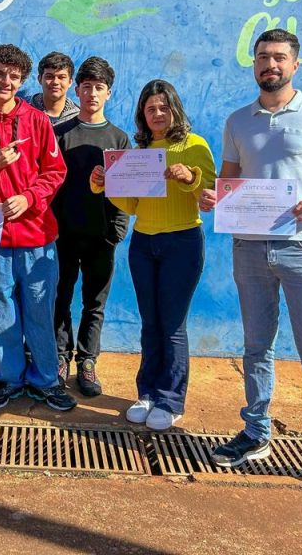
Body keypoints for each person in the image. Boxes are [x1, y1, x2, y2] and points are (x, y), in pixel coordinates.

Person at [200, 28, 302, 507]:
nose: (269, 64)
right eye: (261, 57)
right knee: (256, 347)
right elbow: (227, 184)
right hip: (249, 249)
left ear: (295, 64)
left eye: (278, 57)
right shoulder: (238, 120)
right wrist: (212, 196)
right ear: (253, 65)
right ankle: (255, 431)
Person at [90, 79, 215, 430]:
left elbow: (209, 194)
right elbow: (130, 205)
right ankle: (146, 393)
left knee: (172, 325)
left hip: (183, 242)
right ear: (142, 116)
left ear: (174, 109)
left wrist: (190, 177)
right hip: (143, 244)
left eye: (163, 107)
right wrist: (104, 184)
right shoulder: (137, 152)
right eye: (150, 109)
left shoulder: (194, 145)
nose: (158, 114)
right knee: (150, 323)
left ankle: (171, 400)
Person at [0, 43, 75, 412]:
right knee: (1, 311)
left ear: (22, 80)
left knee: (40, 310)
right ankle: (10, 377)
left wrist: (29, 198)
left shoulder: (37, 121)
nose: (5, 81)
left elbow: (56, 172)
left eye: (13, 76)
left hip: (38, 236)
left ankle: (45, 380)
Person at [52, 56, 130, 395]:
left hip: (102, 236)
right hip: (62, 235)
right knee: (60, 298)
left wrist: (117, 230)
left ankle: (87, 361)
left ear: (108, 93)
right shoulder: (59, 134)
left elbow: (126, 190)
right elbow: (49, 186)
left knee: (94, 302)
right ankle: (59, 358)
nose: (92, 94)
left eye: (99, 88)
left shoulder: (119, 138)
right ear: (77, 90)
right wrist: (50, 229)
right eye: (86, 88)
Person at [29, 50, 79, 127]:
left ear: (70, 82)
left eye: (61, 77)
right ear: (39, 79)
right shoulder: (24, 113)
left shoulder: (78, 119)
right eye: (49, 76)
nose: (55, 82)